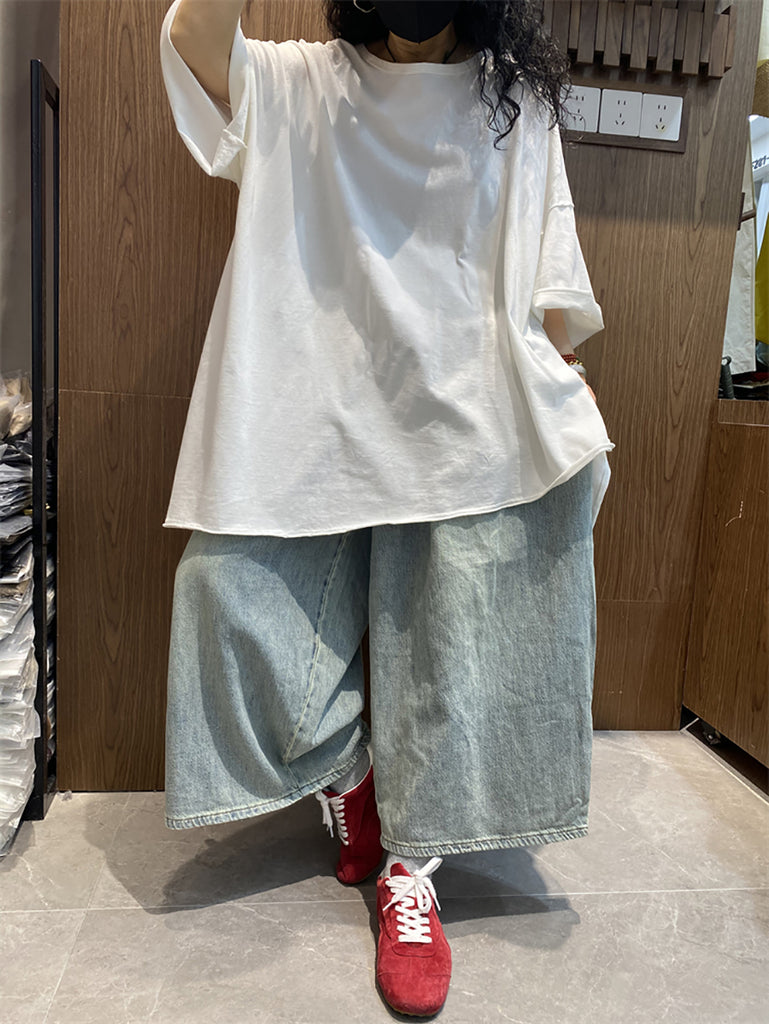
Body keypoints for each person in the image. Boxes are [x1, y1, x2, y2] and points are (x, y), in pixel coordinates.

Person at [159, 0, 615, 1016]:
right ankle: (354, 778)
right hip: (307, 410)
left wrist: (559, 377)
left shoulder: (513, 105)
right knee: (223, 593)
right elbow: (193, 39)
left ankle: (414, 866)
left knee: (452, 651)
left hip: (467, 413)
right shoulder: (302, 84)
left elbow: (546, 263)